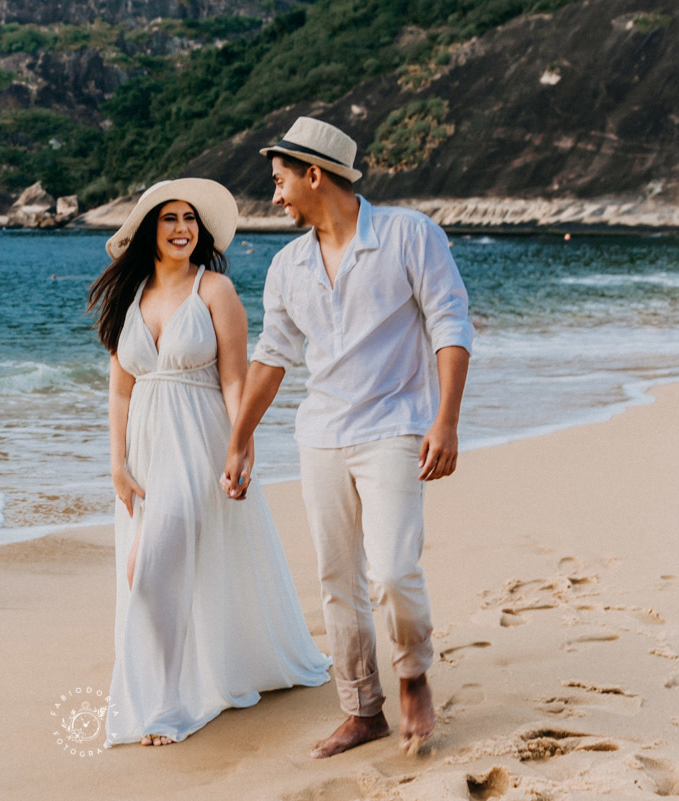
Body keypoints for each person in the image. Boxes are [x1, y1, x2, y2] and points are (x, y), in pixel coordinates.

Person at [222, 117, 473, 757]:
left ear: (314, 174)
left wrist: (445, 420)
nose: (274, 196)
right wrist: (240, 438)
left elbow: (450, 324)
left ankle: (412, 671)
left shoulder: (409, 235)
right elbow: (272, 357)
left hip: (396, 427)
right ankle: (363, 709)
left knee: (391, 569)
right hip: (321, 435)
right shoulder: (288, 266)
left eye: (279, 182)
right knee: (338, 579)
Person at [87, 178, 331, 748]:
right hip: (145, 451)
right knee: (146, 573)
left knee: (150, 570)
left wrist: (239, 444)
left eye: (189, 219)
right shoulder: (134, 294)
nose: (181, 229)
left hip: (198, 442)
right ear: (151, 230)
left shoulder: (214, 289)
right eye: (170, 219)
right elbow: (120, 389)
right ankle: (162, 691)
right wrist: (117, 464)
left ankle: (167, 707)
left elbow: (233, 378)